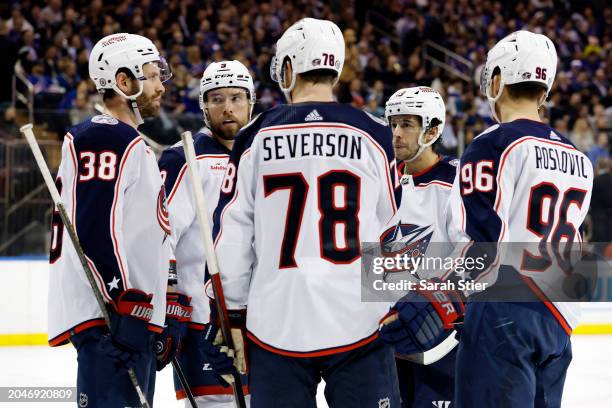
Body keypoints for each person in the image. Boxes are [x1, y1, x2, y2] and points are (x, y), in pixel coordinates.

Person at [382, 30, 593, 408]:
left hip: (503, 312)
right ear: (543, 90)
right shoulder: (579, 157)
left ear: (496, 80)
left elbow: (481, 245)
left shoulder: (493, 143)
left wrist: (441, 296)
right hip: (560, 317)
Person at [205, 17, 402, 407]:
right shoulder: (376, 134)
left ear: (289, 68)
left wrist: (230, 316)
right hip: (360, 322)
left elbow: (231, 236)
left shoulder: (254, 136)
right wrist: (401, 303)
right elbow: (392, 234)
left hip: (277, 322)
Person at [47, 33, 178, 407]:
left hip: (126, 317)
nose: (160, 87)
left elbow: (150, 235)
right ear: (124, 82)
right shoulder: (105, 138)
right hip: (112, 317)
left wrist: (156, 313)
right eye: (151, 76)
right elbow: (93, 228)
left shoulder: (129, 142)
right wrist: (125, 304)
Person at [158, 60, 255, 407]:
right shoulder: (184, 158)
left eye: (236, 98)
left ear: (251, 102)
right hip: (202, 320)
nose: (227, 107)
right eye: (216, 99)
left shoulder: (257, 158)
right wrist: (170, 303)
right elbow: (162, 234)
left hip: (254, 322)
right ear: (203, 106)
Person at [379, 87, 459, 407]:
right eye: (393, 124)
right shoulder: (382, 179)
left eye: (408, 124)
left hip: (441, 342)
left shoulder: (456, 182)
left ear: (433, 129)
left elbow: (476, 256)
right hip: (385, 340)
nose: (397, 134)